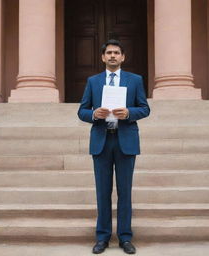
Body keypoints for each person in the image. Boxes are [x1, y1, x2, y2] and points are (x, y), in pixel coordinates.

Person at [77, 39, 150, 254]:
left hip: (125, 140)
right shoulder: (93, 81)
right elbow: (81, 110)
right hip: (102, 140)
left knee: (125, 192)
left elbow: (145, 109)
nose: (112, 56)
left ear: (123, 57)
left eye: (116, 52)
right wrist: (93, 114)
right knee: (103, 192)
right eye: (108, 52)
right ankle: (102, 237)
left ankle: (125, 238)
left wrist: (129, 113)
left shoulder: (134, 80)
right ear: (102, 57)